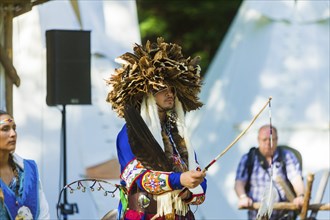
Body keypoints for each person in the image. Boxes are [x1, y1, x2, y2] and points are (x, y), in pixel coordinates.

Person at [106, 37, 207, 220]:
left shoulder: (176, 133)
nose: (170, 94)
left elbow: (198, 175)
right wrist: (179, 180)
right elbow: (140, 179)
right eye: (163, 88)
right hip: (144, 215)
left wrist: (189, 190)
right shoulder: (130, 133)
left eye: (173, 89)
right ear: (148, 93)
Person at [234, 124, 305, 220]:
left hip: (284, 216)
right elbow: (239, 183)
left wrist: (300, 196)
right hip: (256, 216)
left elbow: (296, 179)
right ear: (258, 140)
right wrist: (243, 197)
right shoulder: (248, 158)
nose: (268, 143)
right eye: (264, 140)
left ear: (277, 140)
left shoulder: (287, 156)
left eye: (271, 139)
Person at [0, 110, 50, 219]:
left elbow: (44, 214)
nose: (13, 134)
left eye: (14, 128)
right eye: (5, 129)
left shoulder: (28, 170)